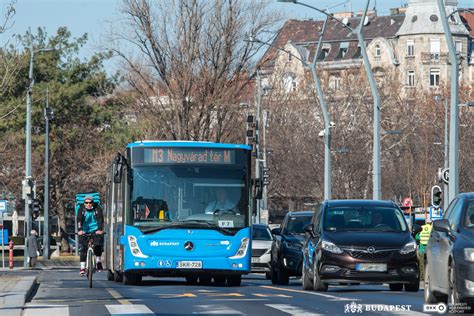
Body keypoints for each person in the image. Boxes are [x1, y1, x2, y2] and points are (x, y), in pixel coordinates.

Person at [77, 195, 104, 276]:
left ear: (93, 203)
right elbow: (79, 220)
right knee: (83, 248)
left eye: (90, 202)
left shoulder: (97, 208)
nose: (88, 204)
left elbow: (100, 219)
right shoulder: (81, 209)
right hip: (84, 230)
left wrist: (99, 229)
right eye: (86, 203)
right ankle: (82, 268)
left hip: (95, 230)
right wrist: (80, 230)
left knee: (97, 245)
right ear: (84, 203)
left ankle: (98, 262)